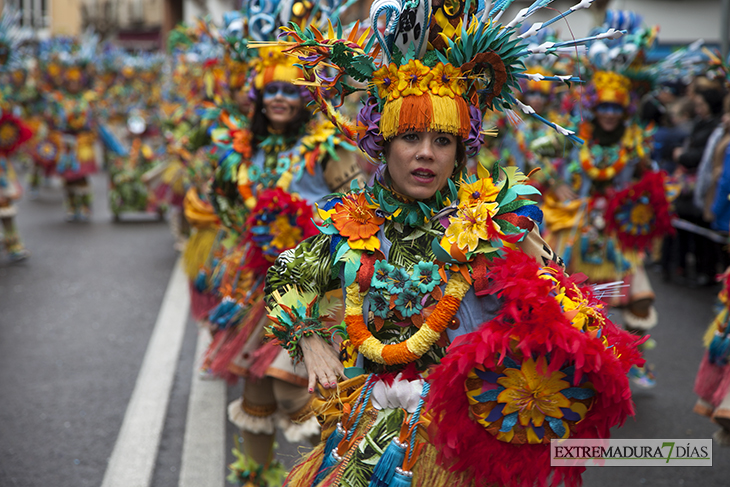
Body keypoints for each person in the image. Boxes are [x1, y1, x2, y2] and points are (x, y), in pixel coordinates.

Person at [263, 2, 644, 486]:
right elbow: (284, 275)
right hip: (378, 433)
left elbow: (580, 327)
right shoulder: (352, 223)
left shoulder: (497, 222)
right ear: (382, 142)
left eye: (443, 140)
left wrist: (542, 277)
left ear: (463, 148)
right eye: (411, 136)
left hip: (469, 438)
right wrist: (312, 340)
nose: (426, 152)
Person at [199, 5, 366, 481]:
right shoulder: (242, 150)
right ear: (257, 97)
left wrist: (310, 232)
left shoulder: (327, 147)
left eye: (289, 91)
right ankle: (254, 475)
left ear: (304, 98)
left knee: (300, 389)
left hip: (311, 287)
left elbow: (357, 210)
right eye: (270, 90)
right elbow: (228, 209)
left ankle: (321, 475)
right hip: (255, 284)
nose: (278, 99)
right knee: (256, 386)